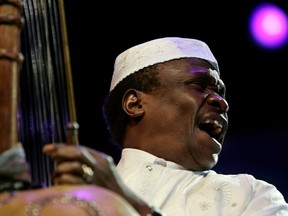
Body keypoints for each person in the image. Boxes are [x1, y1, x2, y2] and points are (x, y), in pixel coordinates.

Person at [43, 37, 288, 215]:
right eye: (200, 85)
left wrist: (126, 203)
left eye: (221, 92)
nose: (221, 102)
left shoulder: (252, 194)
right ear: (134, 103)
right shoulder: (76, 199)